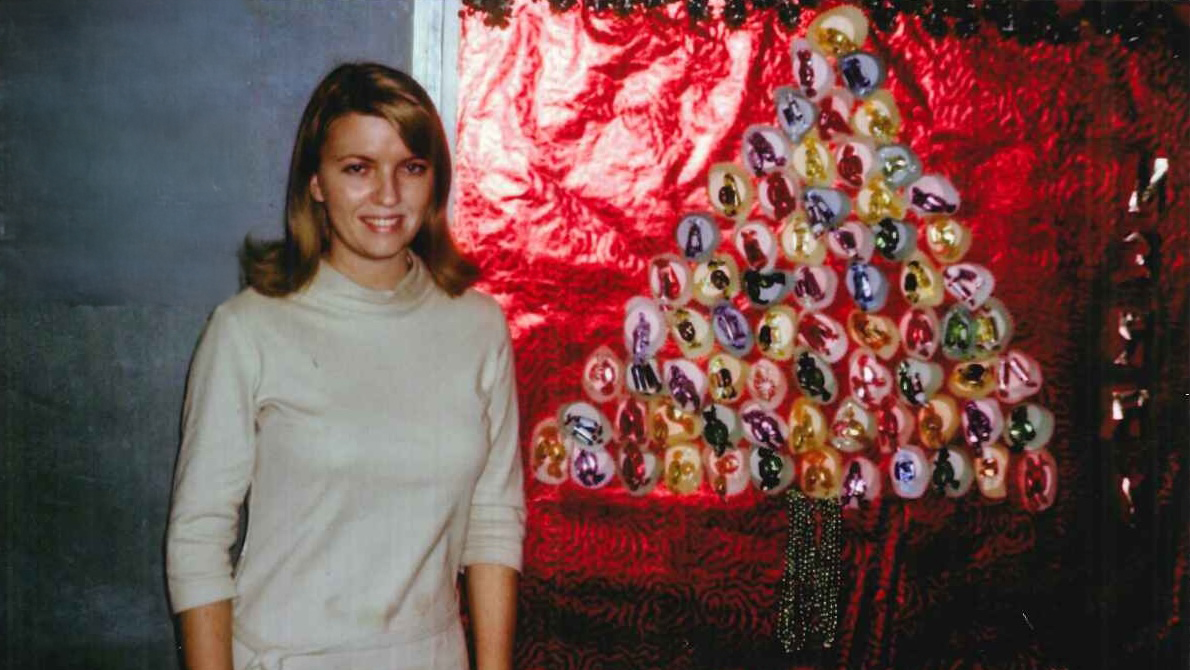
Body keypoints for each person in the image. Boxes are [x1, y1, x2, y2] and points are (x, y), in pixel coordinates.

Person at [166, 62, 525, 670]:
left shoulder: (478, 327)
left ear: (434, 181)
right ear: (315, 182)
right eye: (358, 168)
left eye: (410, 167)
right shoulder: (248, 329)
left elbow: (493, 522)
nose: (387, 195)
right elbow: (198, 540)